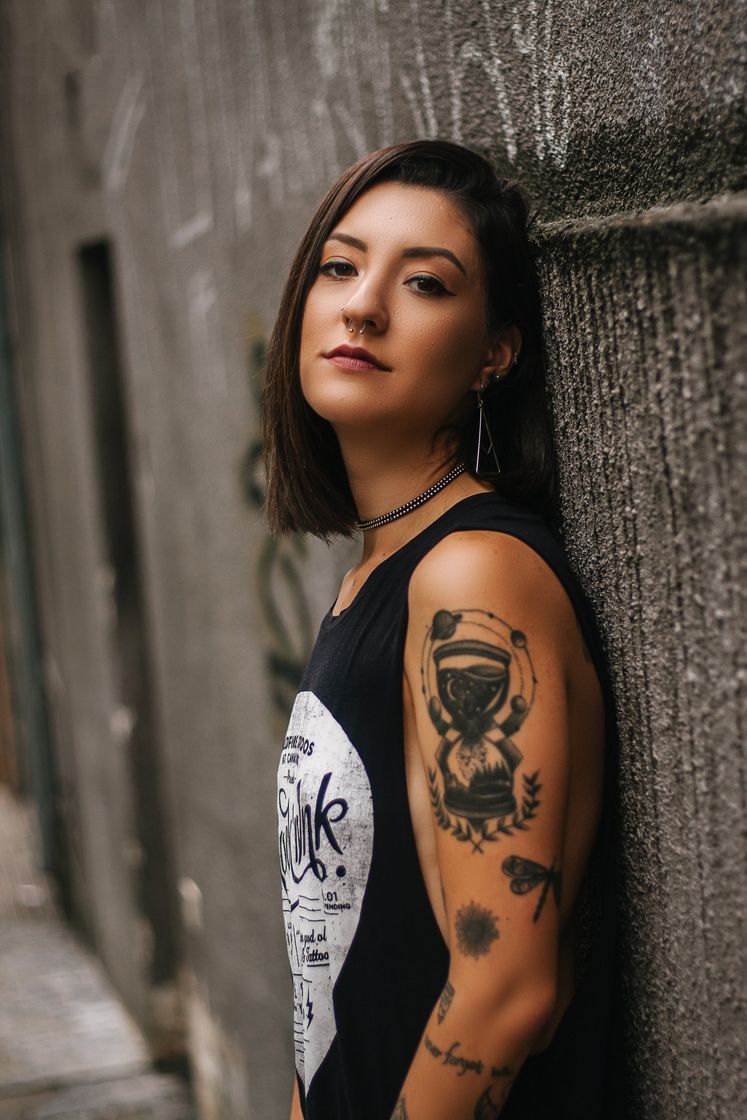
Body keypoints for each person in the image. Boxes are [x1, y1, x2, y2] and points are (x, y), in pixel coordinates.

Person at [265, 139, 618, 1120]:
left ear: (494, 353)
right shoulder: (375, 577)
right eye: (340, 265)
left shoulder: (473, 576)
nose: (362, 303)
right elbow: (328, 963)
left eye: (423, 282)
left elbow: (505, 990)